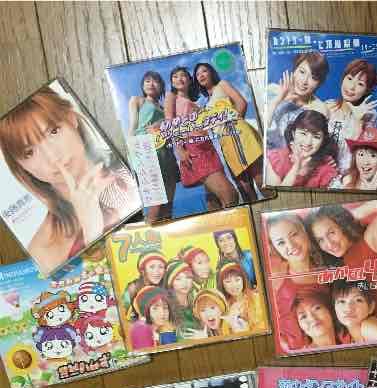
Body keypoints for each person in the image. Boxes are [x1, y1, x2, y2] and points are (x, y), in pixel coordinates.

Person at [0, 85, 140, 275]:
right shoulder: (43, 248)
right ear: (20, 166)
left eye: (53, 131)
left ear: (71, 118)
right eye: (29, 152)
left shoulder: (130, 174)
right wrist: (91, 229)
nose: (52, 157)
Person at [164, 66, 238, 210]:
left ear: (190, 80)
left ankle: (219, 224)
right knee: (230, 195)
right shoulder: (171, 96)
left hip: (208, 148)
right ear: (172, 82)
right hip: (194, 149)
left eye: (183, 75)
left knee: (214, 201)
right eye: (175, 76)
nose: (179, 79)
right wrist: (179, 149)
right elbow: (169, 123)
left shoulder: (195, 102)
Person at [194, 61, 265, 203]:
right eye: (197, 74)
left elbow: (242, 103)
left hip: (238, 134)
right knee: (245, 188)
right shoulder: (205, 104)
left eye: (204, 71)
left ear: (211, 73)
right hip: (226, 143)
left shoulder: (222, 85)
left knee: (259, 178)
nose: (201, 75)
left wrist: (234, 126)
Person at [126, 70, 179, 221]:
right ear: (142, 85)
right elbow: (133, 127)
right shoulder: (138, 100)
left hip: (165, 153)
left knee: (168, 203)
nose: (151, 84)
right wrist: (131, 152)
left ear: (161, 86)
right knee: (156, 201)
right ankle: (150, 229)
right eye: (147, 81)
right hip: (146, 150)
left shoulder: (164, 108)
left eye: (155, 81)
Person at [326, 59, 377, 172]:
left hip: (347, 175)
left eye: (360, 84)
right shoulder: (328, 106)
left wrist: (358, 120)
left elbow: (360, 153)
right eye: (350, 78)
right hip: (324, 171)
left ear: (367, 90)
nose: (351, 87)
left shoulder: (369, 114)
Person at [266, 51, 329, 151]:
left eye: (313, 77)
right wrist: (277, 101)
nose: (304, 81)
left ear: (319, 83)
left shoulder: (318, 109)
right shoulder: (272, 91)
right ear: (295, 70)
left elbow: (312, 148)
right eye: (302, 72)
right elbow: (261, 132)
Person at [267, 109, 339, 188]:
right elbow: (277, 194)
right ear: (293, 133)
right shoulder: (275, 158)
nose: (308, 142)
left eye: (316, 137)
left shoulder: (326, 171)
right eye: (303, 133)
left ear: (322, 141)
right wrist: (297, 166)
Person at [333, 280, 377, 344]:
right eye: (342, 301)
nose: (348, 308)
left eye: (358, 300)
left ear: (371, 307)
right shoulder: (343, 335)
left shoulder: (368, 327)